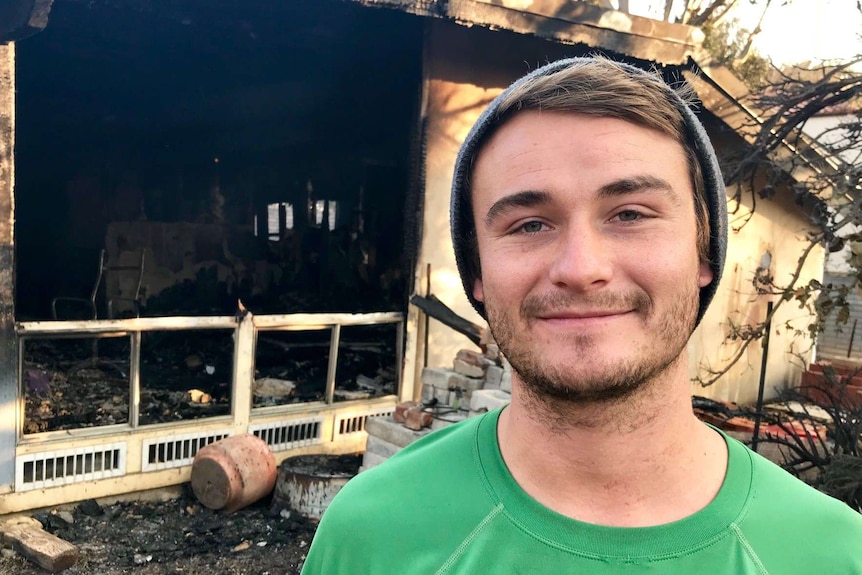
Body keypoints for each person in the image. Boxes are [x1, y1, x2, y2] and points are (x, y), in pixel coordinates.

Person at [301, 56, 862, 574]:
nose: (580, 268)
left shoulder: (832, 554)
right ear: (477, 271)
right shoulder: (370, 535)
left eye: (630, 214)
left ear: (703, 252)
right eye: (529, 224)